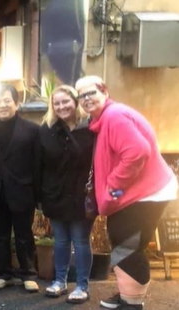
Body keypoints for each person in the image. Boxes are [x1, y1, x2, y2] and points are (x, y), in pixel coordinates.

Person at [75, 76, 178, 310]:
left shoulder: (114, 116)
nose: (86, 98)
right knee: (126, 244)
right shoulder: (106, 118)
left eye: (91, 92)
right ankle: (128, 295)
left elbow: (137, 151)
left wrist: (113, 188)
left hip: (145, 194)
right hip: (142, 194)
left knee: (128, 246)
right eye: (82, 95)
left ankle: (132, 303)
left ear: (105, 92)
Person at [0, 83, 40, 292]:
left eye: (7, 101)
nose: (3, 105)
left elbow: (38, 162)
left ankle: (28, 273)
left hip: (22, 190)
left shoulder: (32, 130)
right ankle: (4, 273)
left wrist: (37, 193)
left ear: (17, 103)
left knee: (24, 234)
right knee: (0, 235)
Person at [38, 85, 95, 303]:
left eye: (65, 101)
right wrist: (40, 196)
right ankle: (59, 281)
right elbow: (39, 164)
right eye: (57, 103)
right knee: (60, 240)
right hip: (55, 193)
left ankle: (82, 285)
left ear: (75, 101)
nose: (61, 107)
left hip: (82, 194)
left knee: (81, 240)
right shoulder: (47, 129)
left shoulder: (91, 127)